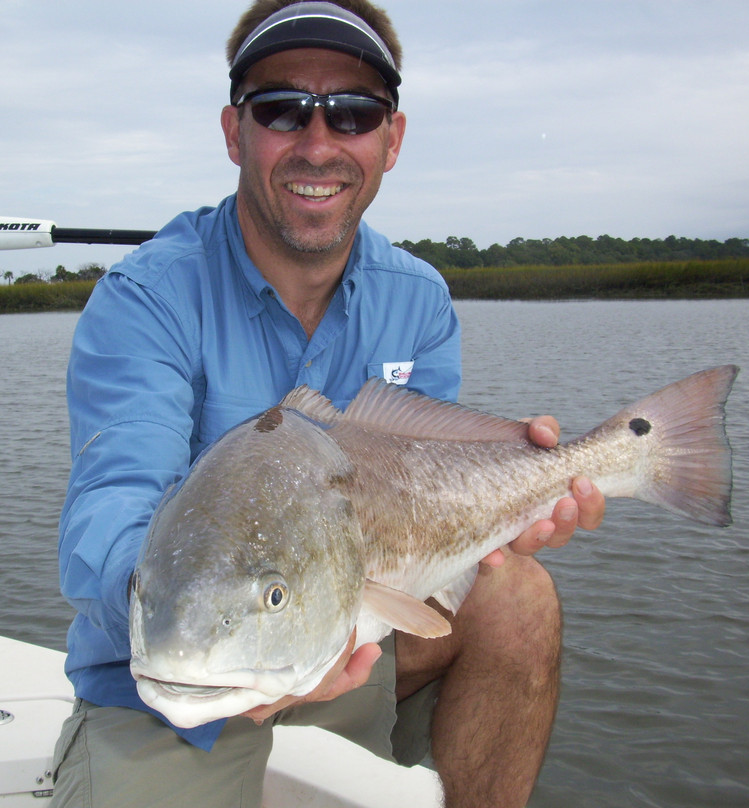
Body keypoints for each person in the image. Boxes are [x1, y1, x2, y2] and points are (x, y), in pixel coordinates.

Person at [51, 2, 605, 806]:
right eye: (282, 109)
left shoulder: (417, 298)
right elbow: (113, 503)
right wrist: (179, 615)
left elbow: (420, 493)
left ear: (392, 139)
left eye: (352, 113)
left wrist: (509, 506)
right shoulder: (146, 298)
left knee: (517, 593)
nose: (318, 144)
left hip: (354, 647)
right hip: (166, 689)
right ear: (235, 131)